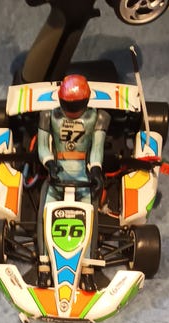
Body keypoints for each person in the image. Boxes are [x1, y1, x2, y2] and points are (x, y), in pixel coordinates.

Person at [37, 74, 110, 291]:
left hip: (83, 179)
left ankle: (87, 269)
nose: (71, 109)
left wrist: (95, 170)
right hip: (56, 177)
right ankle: (44, 266)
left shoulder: (97, 117)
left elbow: (96, 149)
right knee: (44, 213)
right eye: (68, 104)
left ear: (85, 101)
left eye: (75, 105)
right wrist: (50, 163)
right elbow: (43, 147)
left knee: (91, 216)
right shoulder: (48, 115)